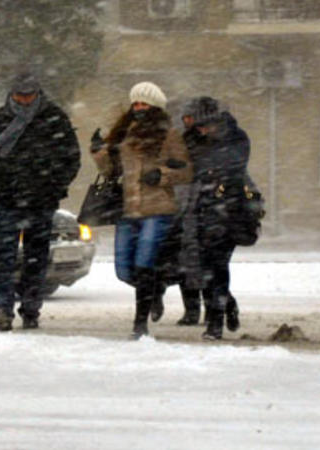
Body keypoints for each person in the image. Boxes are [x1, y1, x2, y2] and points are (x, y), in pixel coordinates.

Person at [0, 72, 80, 331]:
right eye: (19, 96)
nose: (23, 101)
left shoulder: (54, 119)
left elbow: (71, 157)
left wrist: (55, 186)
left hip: (41, 201)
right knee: (4, 257)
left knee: (36, 259)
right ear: (12, 94)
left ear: (37, 94)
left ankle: (31, 309)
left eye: (28, 96)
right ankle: (2, 309)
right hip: (7, 199)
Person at [90, 81, 192, 339]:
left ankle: (140, 324)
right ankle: (155, 290)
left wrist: (162, 175)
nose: (138, 108)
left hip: (157, 208)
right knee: (124, 270)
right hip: (128, 209)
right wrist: (100, 153)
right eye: (135, 103)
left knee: (144, 263)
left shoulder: (168, 135)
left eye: (144, 103)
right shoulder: (124, 134)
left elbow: (186, 171)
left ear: (155, 106)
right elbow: (110, 172)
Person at [179, 96, 250, 340]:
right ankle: (226, 304)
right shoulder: (191, 139)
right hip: (199, 209)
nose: (200, 130)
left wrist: (211, 174)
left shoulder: (236, 137)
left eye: (204, 125)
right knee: (204, 266)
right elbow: (182, 165)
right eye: (197, 126)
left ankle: (215, 320)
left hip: (228, 212)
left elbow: (234, 168)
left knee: (217, 265)